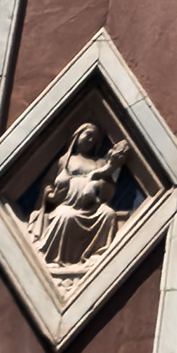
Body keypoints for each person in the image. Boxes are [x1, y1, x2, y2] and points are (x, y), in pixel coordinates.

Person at [25, 114, 146, 279]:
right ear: (77, 137)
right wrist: (51, 194)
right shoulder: (64, 161)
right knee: (65, 216)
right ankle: (56, 258)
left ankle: (96, 253)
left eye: (94, 138)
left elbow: (109, 189)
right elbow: (47, 184)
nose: (90, 140)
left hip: (92, 208)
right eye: (87, 135)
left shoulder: (99, 163)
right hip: (67, 206)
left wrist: (99, 185)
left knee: (108, 214)